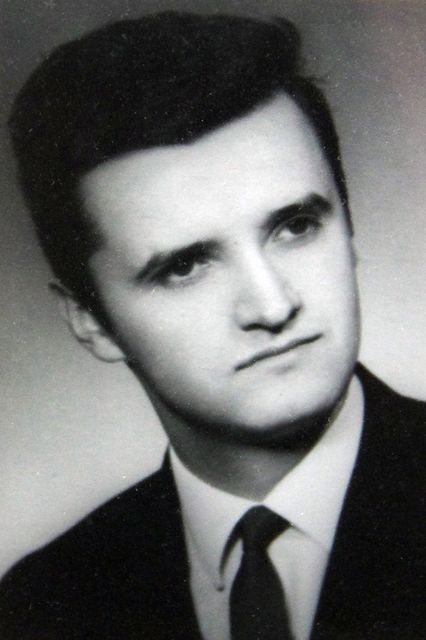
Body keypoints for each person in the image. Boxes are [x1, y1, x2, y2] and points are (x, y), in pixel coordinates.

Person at [0, 11, 424, 640]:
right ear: (91, 322)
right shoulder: (38, 606)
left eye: (296, 227)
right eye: (186, 267)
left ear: (349, 228)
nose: (273, 307)